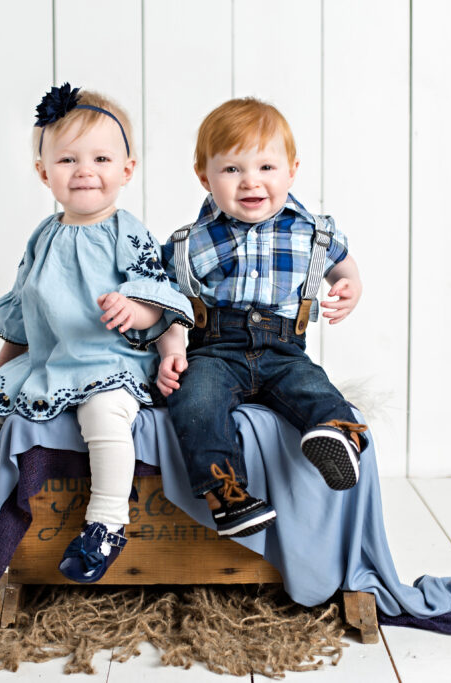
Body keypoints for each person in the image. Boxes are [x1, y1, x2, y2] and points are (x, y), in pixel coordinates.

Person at [0, 83, 193, 584]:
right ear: (44, 172)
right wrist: (5, 356)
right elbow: (25, 303)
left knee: (105, 417)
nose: (85, 171)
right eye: (68, 160)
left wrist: (132, 310)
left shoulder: (125, 231)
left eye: (100, 158)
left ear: (127, 170)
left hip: (109, 359)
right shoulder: (44, 234)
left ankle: (106, 523)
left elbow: (158, 298)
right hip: (50, 360)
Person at [156, 97, 367, 538]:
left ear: (292, 169)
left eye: (266, 168)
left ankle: (339, 437)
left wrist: (349, 286)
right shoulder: (189, 243)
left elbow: (342, 264)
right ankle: (227, 495)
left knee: (313, 388)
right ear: (204, 177)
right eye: (232, 169)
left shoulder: (313, 231)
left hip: (283, 350)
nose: (250, 182)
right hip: (215, 349)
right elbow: (169, 301)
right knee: (194, 402)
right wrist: (173, 348)